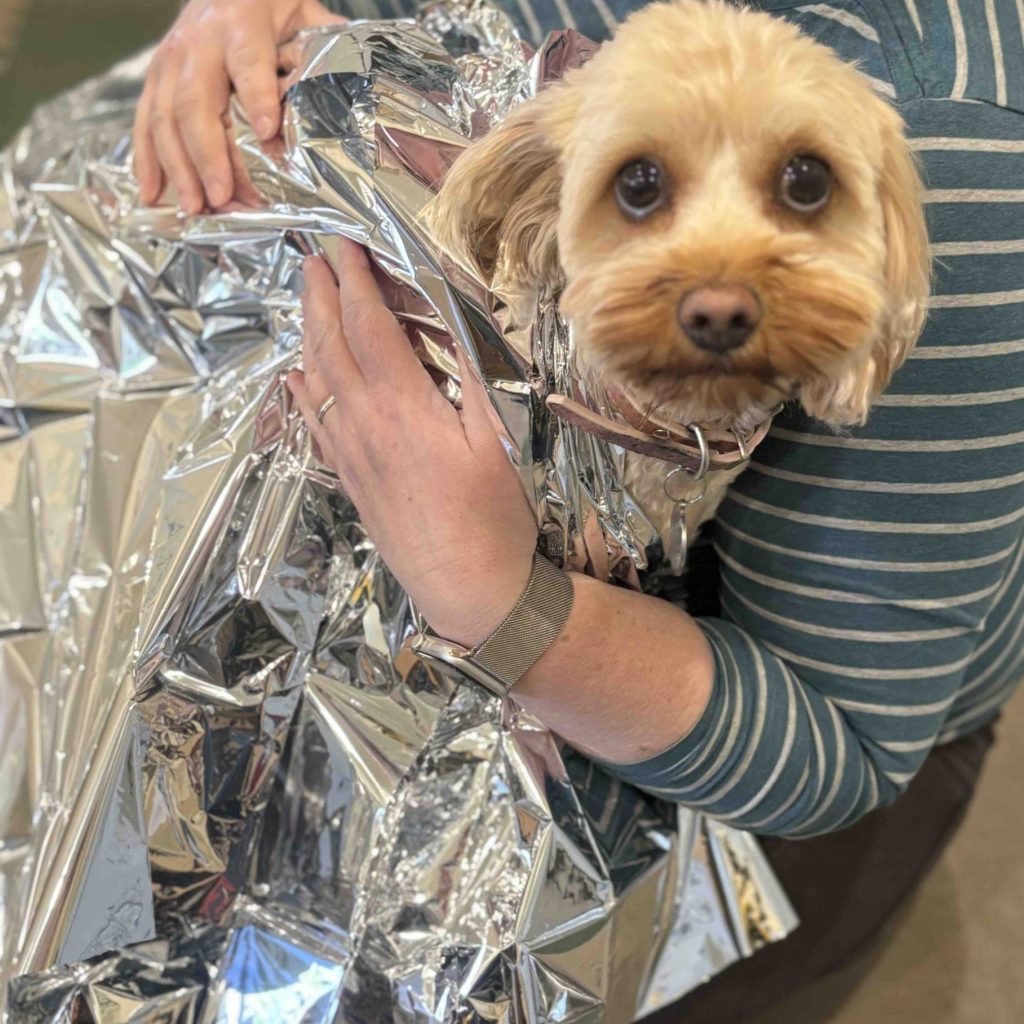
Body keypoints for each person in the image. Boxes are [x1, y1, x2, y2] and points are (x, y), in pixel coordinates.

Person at [133, 0, 1024, 1020]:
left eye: (803, 184)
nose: (721, 287)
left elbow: (844, 749)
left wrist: (493, 598)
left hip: (763, 760)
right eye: (644, 185)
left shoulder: (956, 131)